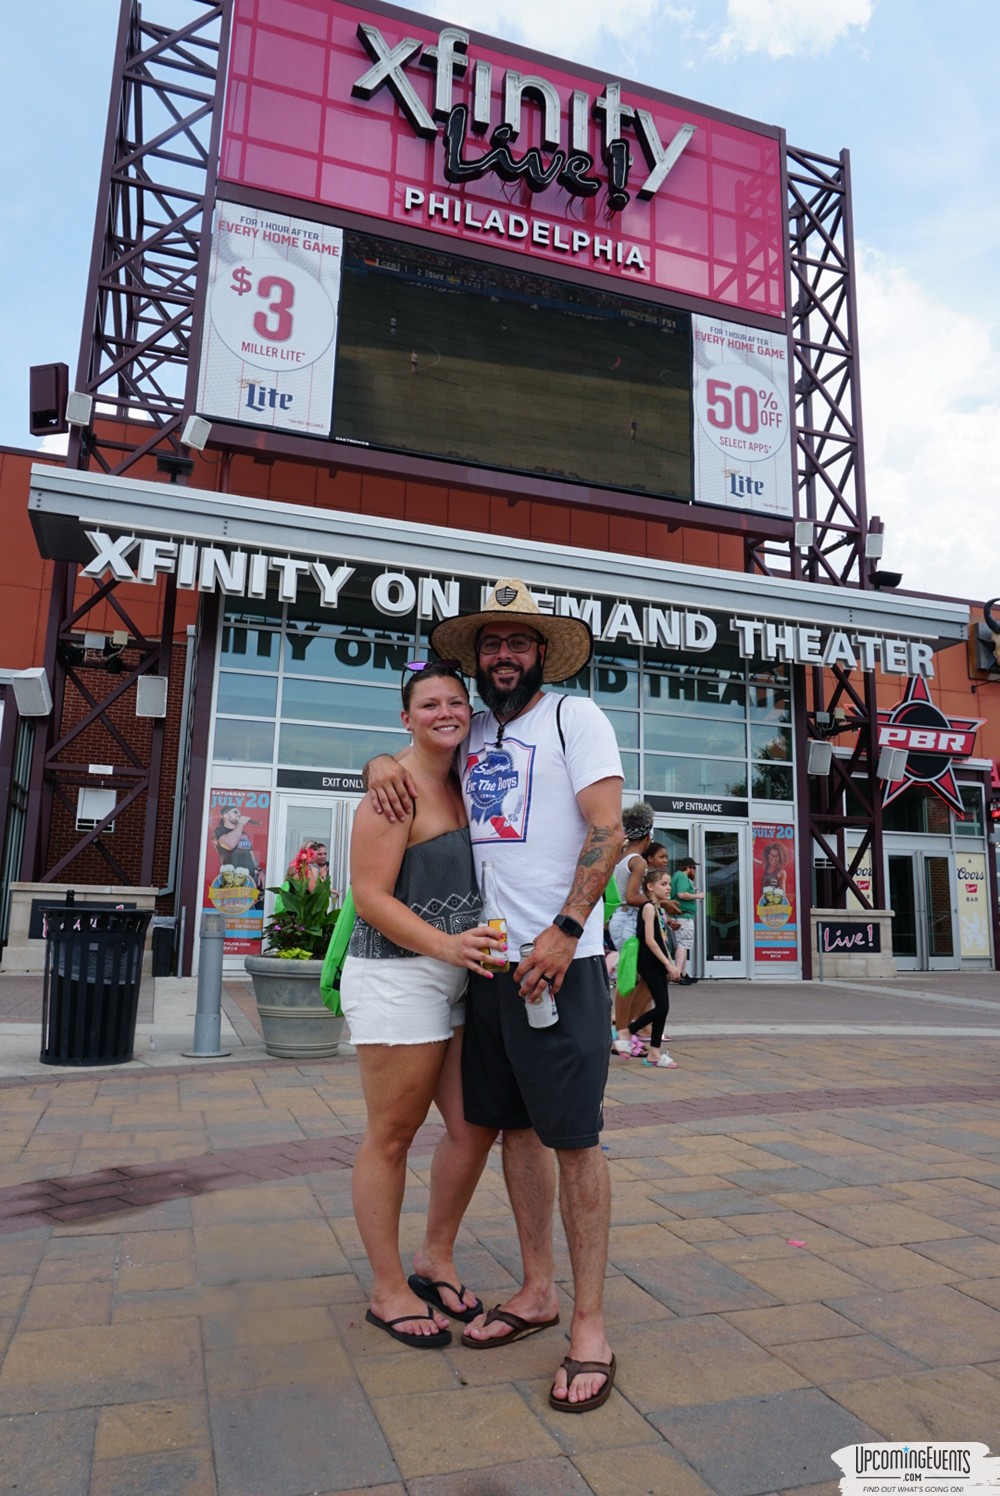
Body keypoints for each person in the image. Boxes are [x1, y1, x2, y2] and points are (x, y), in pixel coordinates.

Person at [366, 578, 624, 1414]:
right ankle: (536, 1290)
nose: (503, 656)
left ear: (540, 654)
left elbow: (610, 828)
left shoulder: (572, 719)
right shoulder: (472, 728)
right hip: (490, 973)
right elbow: (409, 752)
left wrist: (566, 927)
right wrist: (375, 761)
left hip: (561, 964)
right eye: (491, 645)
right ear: (476, 659)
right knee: (513, 1130)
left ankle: (588, 1325)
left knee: (574, 1141)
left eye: (518, 643)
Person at [341, 661, 505, 1350]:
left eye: (456, 701)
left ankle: (434, 1257)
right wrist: (444, 947)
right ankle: (386, 1290)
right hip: (397, 980)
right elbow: (369, 897)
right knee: (393, 1136)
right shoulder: (394, 789)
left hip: (454, 978)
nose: (446, 712)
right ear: (405, 718)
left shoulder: (474, 778)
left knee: (473, 1128)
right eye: (429, 703)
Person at [608, 803, 654, 1058]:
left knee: (637, 978)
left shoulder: (620, 857)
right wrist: (652, 902)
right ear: (647, 837)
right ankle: (622, 1032)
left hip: (620, 919)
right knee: (628, 980)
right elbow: (630, 896)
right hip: (630, 921)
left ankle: (627, 1028)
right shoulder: (638, 862)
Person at [626, 867, 680, 1069]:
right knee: (663, 1007)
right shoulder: (648, 908)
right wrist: (668, 964)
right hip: (649, 962)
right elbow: (650, 940)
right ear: (650, 887)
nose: (668, 888)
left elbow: (662, 939)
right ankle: (627, 1031)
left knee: (662, 1007)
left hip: (657, 962)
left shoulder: (658, 909)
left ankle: (654, 1053)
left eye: (668, 884)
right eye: (663, 884)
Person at [211, 805, 264, 906]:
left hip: (249, 882)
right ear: (225, 815)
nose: (239, 814)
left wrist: (260, 871)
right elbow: (230, 844)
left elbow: (251, 855)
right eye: (235, 812)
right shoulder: (218, 831)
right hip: (233, 883)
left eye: (239, 812)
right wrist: (240, 824)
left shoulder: (243, 833)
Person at [670, 855, 704, 985]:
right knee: (683, 945)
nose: (694, 871)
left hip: (679, 916)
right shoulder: (682, 876)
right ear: (688, 868)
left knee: (682, 945)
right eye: (693, 868)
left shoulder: (677, 877)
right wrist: (698, 895)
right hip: (683, 916)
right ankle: (677, 974)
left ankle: (684, 974)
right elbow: (681, 894)